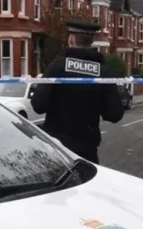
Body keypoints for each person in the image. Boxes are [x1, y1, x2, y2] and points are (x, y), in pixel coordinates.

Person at [31, 20, 124, 164]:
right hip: (87, 151)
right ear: (91, 42)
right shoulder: (103, 71)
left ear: (71, 39)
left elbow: (38, 105)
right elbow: (115, 114)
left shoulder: (57, 67)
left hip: (57, 149)